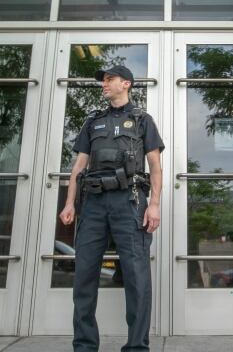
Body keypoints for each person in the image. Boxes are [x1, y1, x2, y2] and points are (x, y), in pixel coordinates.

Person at [59, 65, 163, 352]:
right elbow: (78, 167)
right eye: (103, 80)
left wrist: (154, 205)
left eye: (109, 79)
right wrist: (70, 203)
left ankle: (137, 347)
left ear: (126, 83)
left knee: (136, 276)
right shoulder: (93, 121)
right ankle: (84, 346)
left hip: (129, 202)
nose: (104, 84)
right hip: (93, 204)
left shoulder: (142, 120)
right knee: (84, 276)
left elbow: (155, 166)